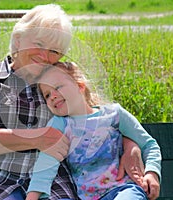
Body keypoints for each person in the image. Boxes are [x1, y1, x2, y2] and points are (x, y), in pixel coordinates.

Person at [0, 4, 146, 200]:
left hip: (54, 183)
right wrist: (37, 138)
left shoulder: (58, 84)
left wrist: (130, 144)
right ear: (18, 39)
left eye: (54, 51)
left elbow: (98, 118)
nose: (45, 56)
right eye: (39, 44)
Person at [26, 62, 161, 200]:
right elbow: (47, 163)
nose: (53, 96)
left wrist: (152, 173)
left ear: (80, 86)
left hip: (123, 190)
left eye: (58, 87)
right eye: (47, 95)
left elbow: (148, 144)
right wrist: (32, 196)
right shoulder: (60, 124)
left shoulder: (114, 114)